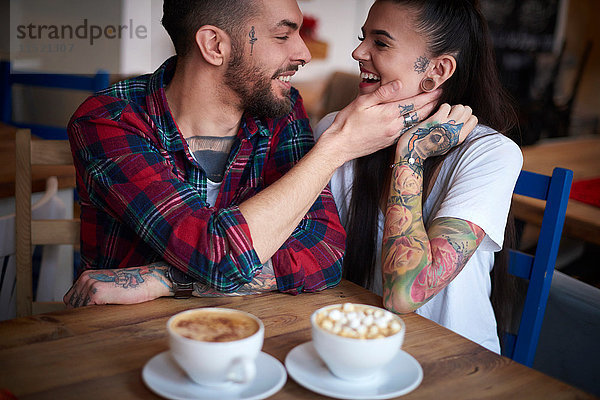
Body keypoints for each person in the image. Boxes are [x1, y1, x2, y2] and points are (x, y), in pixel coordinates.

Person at [64, 0, 464, 306]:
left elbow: (324, 254)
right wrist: (335, 147)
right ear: (215, 45)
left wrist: (165, 280)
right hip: (122, 341)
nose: (304, 53)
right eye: (282, 35)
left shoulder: (280, 111)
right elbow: (215, 254)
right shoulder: (110, 121)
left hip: (247, 333)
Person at [315, 0, 522, 353]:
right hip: (354, 346)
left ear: (439, 69)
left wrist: (411, 152)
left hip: (455, 365)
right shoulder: (336, 132)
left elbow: (405, 294)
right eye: (362, 37)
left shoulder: (492, 153)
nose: (357, 52)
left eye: (380, 43)